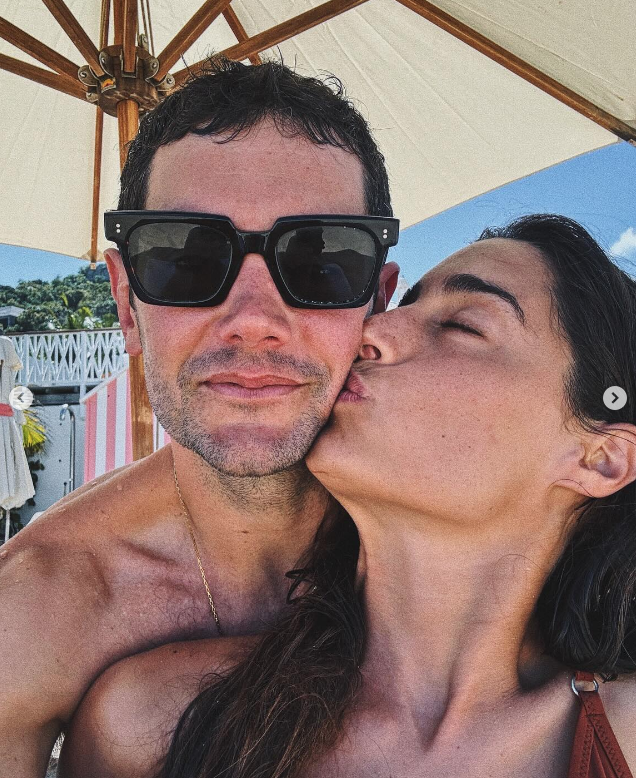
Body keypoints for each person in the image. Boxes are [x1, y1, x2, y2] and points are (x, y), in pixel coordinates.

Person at [59, 215, 636, 778]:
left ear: (600, 459)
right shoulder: (150, 724)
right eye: (401, 305)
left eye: (463, 326)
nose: (370, 332)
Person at [0, 58, 399, 776]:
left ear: (378, 300)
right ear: (126, 304)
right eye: (185, 258)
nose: (253, 321)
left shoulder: (479, 541)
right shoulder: (34, 611)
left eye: (319, 263)